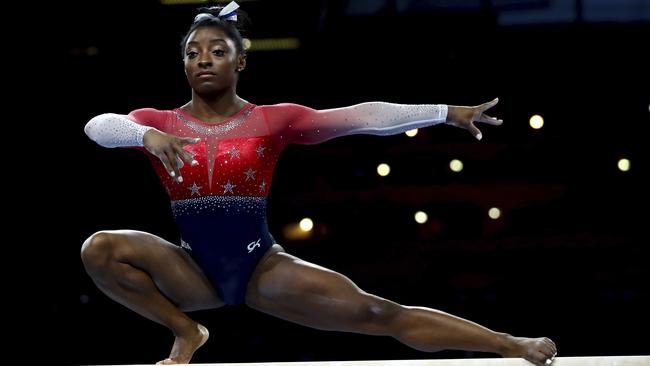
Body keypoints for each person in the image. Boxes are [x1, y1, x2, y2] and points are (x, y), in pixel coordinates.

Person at [81, 2, 557, 365]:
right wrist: (145, 134)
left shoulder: (271, 120)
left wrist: (444, 112)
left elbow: (359, 117)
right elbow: (98, 125)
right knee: (99, 247)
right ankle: (187, 331)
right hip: (190, 271)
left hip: (261, 269)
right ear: (183, 65)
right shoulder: (155, 121)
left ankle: (510, 343)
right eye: (192, 52)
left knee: (379, 314)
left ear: (240, 62)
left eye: (218, 51)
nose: (203, 60)